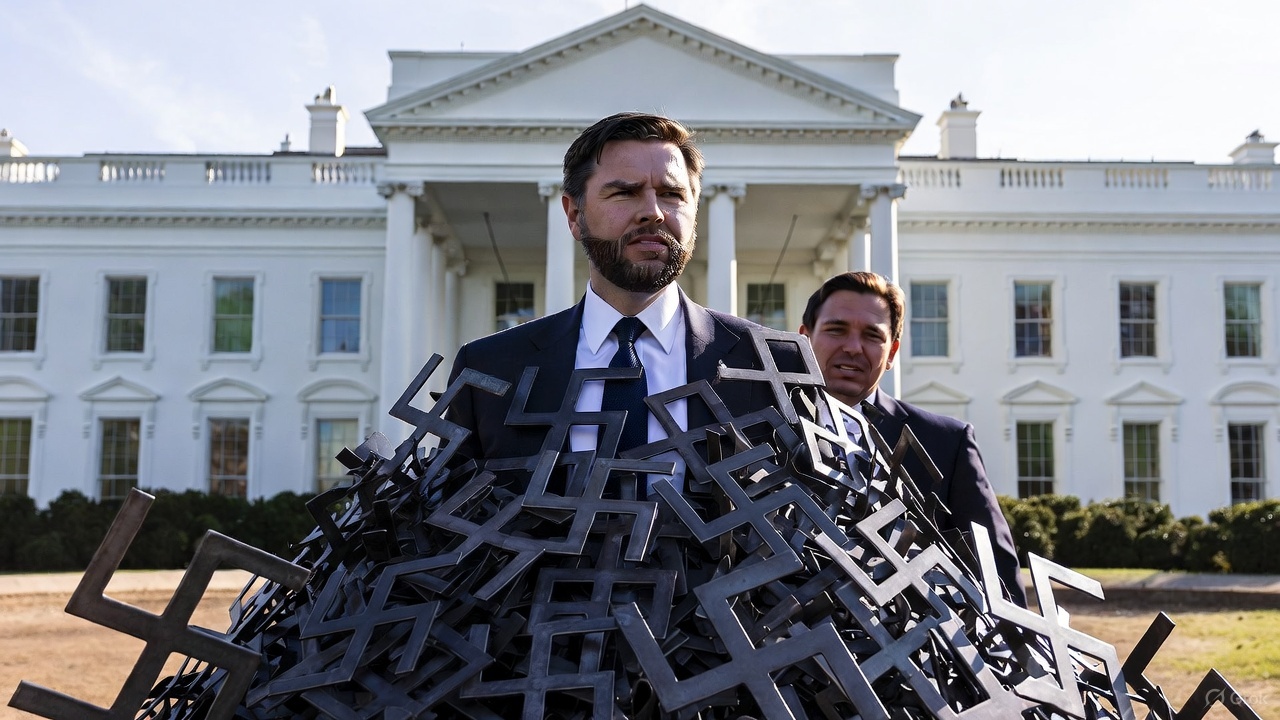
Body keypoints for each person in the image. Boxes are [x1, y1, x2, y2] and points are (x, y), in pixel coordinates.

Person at [445, 112, 793, 485]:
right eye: (625, 192)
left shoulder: (771, 363)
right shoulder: (489, 368)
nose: (653, 213)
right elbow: (444, 518)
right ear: (575, 215)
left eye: (671, 194)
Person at [799, 271, 1027, 607]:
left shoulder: (946, 443)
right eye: (837, 330)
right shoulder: (759, 427)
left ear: (891, 353)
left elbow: (996, 574)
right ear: (804, 338)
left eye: (872, 336)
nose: (852, 347)